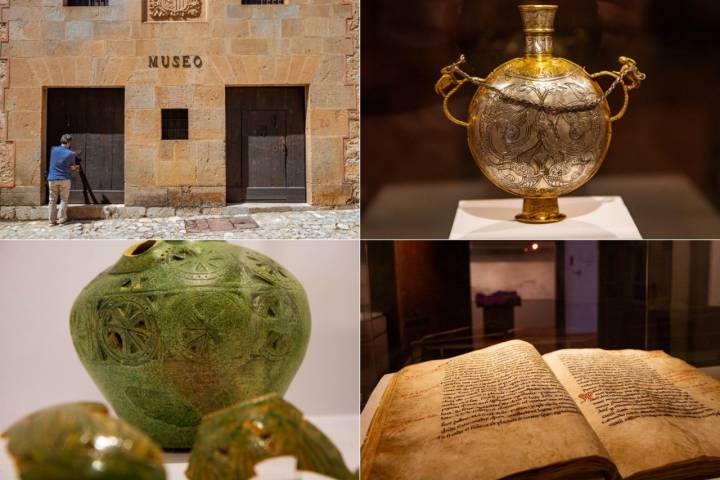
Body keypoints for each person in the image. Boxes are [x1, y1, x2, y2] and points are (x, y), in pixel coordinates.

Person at [47, 134, 79, 226]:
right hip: (64, 179)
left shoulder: (53, 149)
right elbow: (72, 167)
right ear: (69, 143)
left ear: (61, 141)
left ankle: (51, 221)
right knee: (64, 199)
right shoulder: (71, 154)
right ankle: (62, 219)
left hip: (52, 178)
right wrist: (77, 167)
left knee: (52, 200)